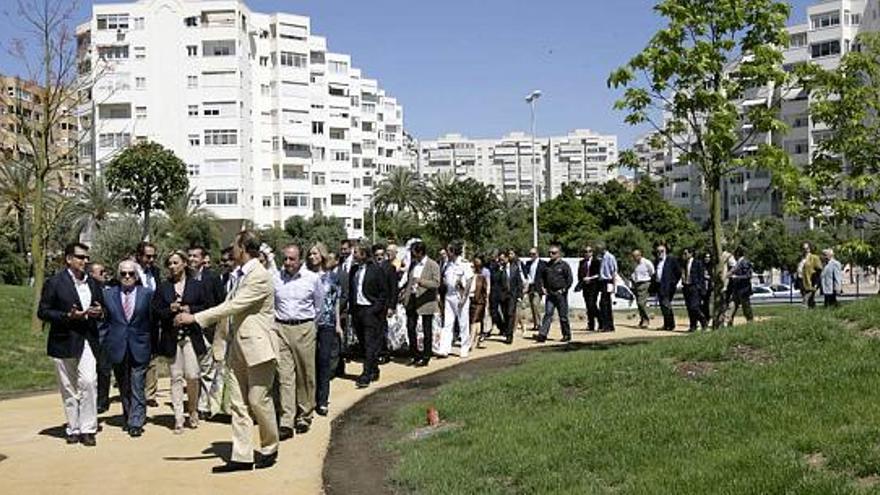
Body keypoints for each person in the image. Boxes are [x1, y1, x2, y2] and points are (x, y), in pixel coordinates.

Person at [175, 231, 280, 473]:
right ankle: (242, 456)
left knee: (258, 400)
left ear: (243, 248)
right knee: (238, 404)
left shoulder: (259, 276)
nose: (231, 250)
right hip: (236, 348)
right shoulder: (238, 275)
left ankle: (269, 447)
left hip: (259, 348)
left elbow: (233, 306)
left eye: (234, 246)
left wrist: (195, 318)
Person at [38, 242, 105, 446]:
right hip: (63, 340)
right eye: (80, 257)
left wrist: (99, 312)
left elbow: (103, 309)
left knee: (88, 381)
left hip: (87, 339)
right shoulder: (55, 283)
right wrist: (68, 315)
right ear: (69, 259)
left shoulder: (93, 283)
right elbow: (43, 312)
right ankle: (73, 427)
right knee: (68, 387)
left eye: (86, 258)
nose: (85, 261)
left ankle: (88, 428)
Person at [152, 251, 208, 434]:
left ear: (184, 263)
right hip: (171, 337)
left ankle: (192, 409)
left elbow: (207, 307)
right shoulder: (163, 288)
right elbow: (156, 311)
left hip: (191, 335)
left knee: (192, 375)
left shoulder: (197, 286)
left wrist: (189, 310)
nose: (172, 266)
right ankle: (178, 418)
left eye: (176, 262)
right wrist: (170, 309)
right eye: (169, 263)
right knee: (175, 377)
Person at [273, 243, 323, 439]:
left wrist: (309, 326)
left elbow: (318, 306)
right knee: (285, 376)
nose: (287, 263)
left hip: (304, 328)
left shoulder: (312, 279)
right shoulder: (275, 278)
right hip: (281, 329)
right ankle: (286, 420)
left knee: (305, 374)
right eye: (285, 258)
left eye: (292, 259)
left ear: (300, 260)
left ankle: (304, 415)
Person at [101, 259, 153, 437]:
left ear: (136, 276)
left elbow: (152, 322)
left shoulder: (147, 294)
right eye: (123, 273)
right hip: (117, 344)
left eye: (131, 273)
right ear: (118, 275)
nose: (127, 277)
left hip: (140, 344)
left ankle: (136, 421)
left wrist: (153, 345)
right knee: (123, 384)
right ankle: (128, 415)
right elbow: (105, 322)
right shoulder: (108, 295)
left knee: (137, 382)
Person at [187, 245, 225, 420]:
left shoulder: (213, 278)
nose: (192, 259)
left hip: (208, 329)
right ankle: (193, 405)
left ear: (203, 259)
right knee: (191, 370)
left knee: (207, 369)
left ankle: (205, 406)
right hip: (189, 329)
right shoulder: (184, 277)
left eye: (195, 256)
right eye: (190, 256)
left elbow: (220, 303)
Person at [349, 244, 390, 388]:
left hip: (370, 310)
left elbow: (384, 293)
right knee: (362, 343)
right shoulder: (354, 270)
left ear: (364, 254)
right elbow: (351, 289)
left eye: (356, 252)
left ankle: (365, 374)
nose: (353, 255)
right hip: (357, 310)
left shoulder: (375, 270)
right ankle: (374, 368)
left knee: (369, 343)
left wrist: (375, 309)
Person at [309, 245, 341, 416]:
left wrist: (338, 324)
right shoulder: (305, 276)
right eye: (310, 253)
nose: (311, 256)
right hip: (309, 324)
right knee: (310, 361)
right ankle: (310, 398)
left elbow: (335, 301)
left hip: (327, 323)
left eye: (315, 253)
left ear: (322, 255)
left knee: (324, 360)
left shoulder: (332, 278)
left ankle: (322, 400)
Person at [401, 241, 440, 366]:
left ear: (420, 252)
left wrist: (421, 282)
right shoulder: (413, 264)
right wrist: (404, 295)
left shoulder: (432, 265)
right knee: (410, 327)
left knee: (426, 329)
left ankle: (426, 355)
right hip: (412, 298)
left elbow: (436, 283)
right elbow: (408, 281)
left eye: (414, 252)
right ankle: (414, 354)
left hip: (426, 300)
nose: (412, 255)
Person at [438, 243, 474, 357]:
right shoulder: (447, 264)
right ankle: (444, 348)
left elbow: (469, 279)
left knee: (463, 323)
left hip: (460, 295)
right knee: (447, 323)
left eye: (449, 251)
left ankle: (464, 347)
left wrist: (464, 297)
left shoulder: (463, 263)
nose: (447, 253)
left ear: (453, 252)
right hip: (449, 295)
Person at [90, 263, 115, 415]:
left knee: (104, 370)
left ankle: (102, 401)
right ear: (92, 274)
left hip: (105, 336)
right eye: (101, 272)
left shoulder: (108, 291)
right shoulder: (84, 289)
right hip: (89, 336)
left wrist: (102, 312)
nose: (105, 274)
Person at [536, 244, 573, 342]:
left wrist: (563, 290)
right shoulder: (547, 266)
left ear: (559, 254)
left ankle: (566, 334)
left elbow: (569, 280)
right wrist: (543, 287)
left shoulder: (564, 265)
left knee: (563, 316)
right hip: (550, 294)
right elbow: (542, 278)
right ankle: (542, 335)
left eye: (553, 253)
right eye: (550, 253)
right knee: (548, 314)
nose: (551, 254)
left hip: (561, 294)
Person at [496, 250, 524, 344]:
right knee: (505, 314)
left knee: (510, 314)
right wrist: (499, 270)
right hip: (503, 295)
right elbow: (496, 281)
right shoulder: (500, 269)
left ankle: (509, 335)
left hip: (512, 295)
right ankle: (506, 330)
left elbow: (519, 282)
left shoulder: (514, 268)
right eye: (501, 259)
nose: (502, 260)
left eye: (504, 259)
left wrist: (520, 295)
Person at [654, 242, 681, 331]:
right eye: (658, 251)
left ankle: (671, 324)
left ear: (665, 251)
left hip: (668, 286)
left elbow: (678, 272)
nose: (660, 253)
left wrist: (673, 283)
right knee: (662, 306)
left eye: (662, 251)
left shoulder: (671, 260)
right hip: (659, 285)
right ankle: (666, 324)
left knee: (666, 304)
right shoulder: (656, 261)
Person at [681, 248, 707, 331]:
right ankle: (693, 326)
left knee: (694, 307)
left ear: (691, 254)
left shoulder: (697, 263)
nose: (684, 255)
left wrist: (701, 289)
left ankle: (703, 320)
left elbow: (701, 277)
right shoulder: (684, 263)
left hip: (695, 287)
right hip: (686, 287)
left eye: (686, 253)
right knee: (689, 308)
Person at [727, 246, 754, 325]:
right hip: (737, 289)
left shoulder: (744, 262)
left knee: (746, 306)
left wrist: (737, 277)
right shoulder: (738, 263)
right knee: (732, 305)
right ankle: (728, 321)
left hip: (744, 290)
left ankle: (750, 321)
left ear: (738, 254)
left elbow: (748, 276)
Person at [576, 246, 602, 331]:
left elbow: (599, 274)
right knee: (588, 305)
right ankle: (591, 324)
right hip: (585, 286)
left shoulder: (596, 262)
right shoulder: (582, 262)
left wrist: (590, 278)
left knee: (592, 304)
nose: (587, 253)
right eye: (585, 251)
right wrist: (581, 282)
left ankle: (600, 321)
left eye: (589, 251)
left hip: (594, 286)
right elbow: (580, 274)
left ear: (592, 252)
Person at [522, 248, 546, 333]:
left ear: (537, 254)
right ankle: (536, 324)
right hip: (530, 286)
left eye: (533, 254)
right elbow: (525, 274)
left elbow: (545, 276)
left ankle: (540, 324)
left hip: (538, 287)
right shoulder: (528, 264)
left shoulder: (543, 264)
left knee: (536, 304)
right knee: (532, 305)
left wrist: (544, 287)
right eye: (530, 254)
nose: (532, 255)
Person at [630, 249, 655, 328]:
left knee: (641, 303)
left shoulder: (646, 262)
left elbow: (652, 272)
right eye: (633, 256)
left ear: (640, 255)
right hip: (637, 284)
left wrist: (650, 283)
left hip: (645, 283)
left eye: (636, 256)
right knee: (639, 303)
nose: (634, 258)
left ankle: (646, 319)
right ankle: (643, 319)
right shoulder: (635, 264)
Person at [596, 243, 618, 332]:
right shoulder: (602, 257)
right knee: (604, 304)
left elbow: (613, 271)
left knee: (604, 304)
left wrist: (614, 285)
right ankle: (608, 325)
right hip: (602, 282)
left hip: (608, 281)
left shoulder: (610, 257)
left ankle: (607, 325)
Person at [469, 255, 489, 347]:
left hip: (479, 302)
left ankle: (471, 340)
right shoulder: (470, 276)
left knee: (474, 320)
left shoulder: (482, 277)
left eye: (474, 266)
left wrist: (486, 300)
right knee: (476, 321)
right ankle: (477, 338)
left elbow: (485, 290)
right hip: (470, 300)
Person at [799, 242, 823, 309]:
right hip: (801, 280)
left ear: (810, 248)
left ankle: (804, 308)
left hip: (810, 280)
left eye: (807, 248)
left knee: (807, 297)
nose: (805, 250)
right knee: (809, 298)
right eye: (803, 248)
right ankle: (813, 308)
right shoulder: (801, 258)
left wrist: (816, 281)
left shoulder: (814, 258)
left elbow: (819, 269)